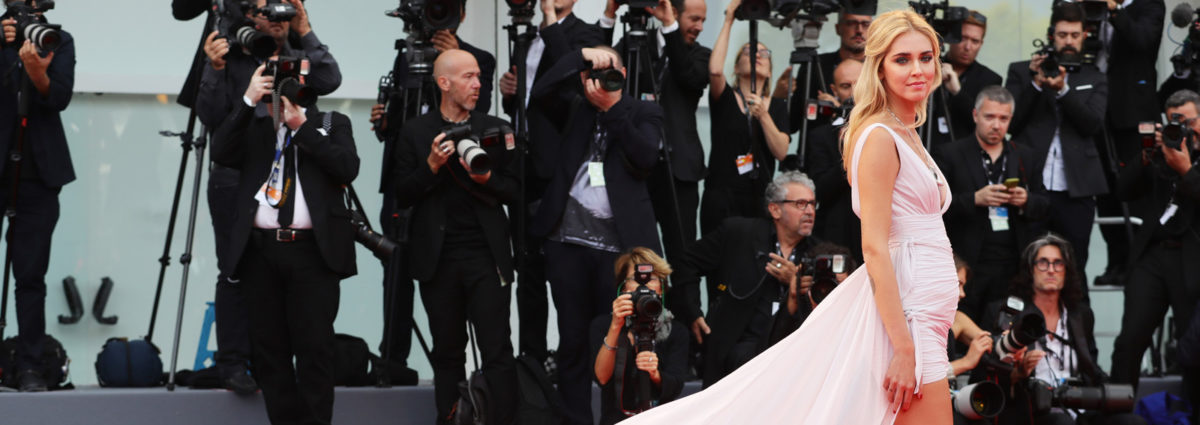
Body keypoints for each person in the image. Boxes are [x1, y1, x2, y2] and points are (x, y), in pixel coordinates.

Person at [623, 9, 958, 424]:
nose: (918, 69)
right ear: (880, 67)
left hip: (927, 312)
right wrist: (903, 347)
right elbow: (874, 245)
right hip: (908, 316)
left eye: (926, 57)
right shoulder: (878, 136)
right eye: (902, 59)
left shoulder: (908, 132)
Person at [195, 0, 341, 394]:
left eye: (282, 11)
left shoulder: (297, 55)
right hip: (236, 177)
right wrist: (215, 68)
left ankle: (270, 362)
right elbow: (210, 115)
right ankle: (232, 363)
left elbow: (329, 79)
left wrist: (305, 28)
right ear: (249, 14)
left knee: (282, 273)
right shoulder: (231, 51)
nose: (275, 20)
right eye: (266, 10)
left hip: (293, 176)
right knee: (236, 268)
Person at [209, 60, 358, 424]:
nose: (292, 87)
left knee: (315, 352)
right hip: (261, 253)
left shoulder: (329, 123)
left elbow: (346, 167)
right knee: (270, 354)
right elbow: (221, 153)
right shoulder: (256, 125)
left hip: (313, 254)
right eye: (284, 82)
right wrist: (248, 101)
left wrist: (300, 128)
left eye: (299, 80)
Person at [529, 45, 663, 425]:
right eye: (597, 71)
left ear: (624, 72)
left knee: (618, 338)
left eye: (611, 69)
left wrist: (612, 108)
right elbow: (539, 94)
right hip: (566, 243)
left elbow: (645, 156)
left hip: (619, 252)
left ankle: (617, 418)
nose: (605, 76)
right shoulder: (575, 106)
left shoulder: (643, 111)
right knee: (572, 340)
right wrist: (580, 57)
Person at [367, 0, 496, 384]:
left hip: (452, 188)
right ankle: (392, 356)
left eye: (444, 7)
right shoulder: (407, 56)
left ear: (461, 14)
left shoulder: (479, 61)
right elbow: (401, 122)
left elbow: (481, 111)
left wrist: (454, 56)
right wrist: (385, 121)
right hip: (406, 178)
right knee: (395, 266)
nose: (435, 16)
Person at [392, 50, 519, 425]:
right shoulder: (416, 132)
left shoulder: (497, 128)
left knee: (497, 350)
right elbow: (402, 194)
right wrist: (431, 166)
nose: (478, 84)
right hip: (438, 259)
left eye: (479, 76)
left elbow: (518, 190)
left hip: (487, 256)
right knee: (448, 353)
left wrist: (488, 180)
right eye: (468, 77)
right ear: (443, 83)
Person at [497, 0, 604, 366]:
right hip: (524, 163)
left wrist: (549, 21)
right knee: (526, 267)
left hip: (561, 165)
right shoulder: (524, 37)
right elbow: (527, 102)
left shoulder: (586, 33)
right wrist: (509, 93)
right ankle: (532, 357)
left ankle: (576, 356)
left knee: (564, 268)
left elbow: (575, 81)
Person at [974, 235, 1145, 425]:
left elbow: (1092, 368)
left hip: (1078, 407)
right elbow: (985, 375)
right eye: (1043, 263)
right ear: (1030, 270)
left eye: (1058, 263)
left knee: (1132, 422)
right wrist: (1018, 372)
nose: (1051, 270)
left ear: (1067, 271)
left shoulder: (1081, 315)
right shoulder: (1007, 312)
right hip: (1031, 409)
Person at [669, 171, 819, 387]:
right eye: (801, 204)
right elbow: (686, 263)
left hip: (791, 353)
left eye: (813, 204)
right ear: (775, 209)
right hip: (738, 350)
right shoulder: (738, 233)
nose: (810, 212)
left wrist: (794, 280)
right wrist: (693, 312)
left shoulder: (817, 251)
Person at [599, 0, 710, 272]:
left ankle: (685, 313)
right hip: (635, 165)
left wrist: (669, 26)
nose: (699, 27)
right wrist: (609, 14)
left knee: (680, 250)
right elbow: (600, 66)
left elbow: (687, 76)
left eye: (703, 21)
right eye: (694, 19)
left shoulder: (700, 55)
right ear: (676, 12)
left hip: (678, 170)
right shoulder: (634, 44)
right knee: (632, 250)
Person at [1005, 2, 1108, 286]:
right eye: (1063, 35)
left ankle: (1076, 330)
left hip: (1077, 190)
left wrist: (1063, 90)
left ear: (1084, 35)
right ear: (1052, 35)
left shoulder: (1094, 77)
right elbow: (1011, 125)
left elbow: (1092, 125)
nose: (1069, 41)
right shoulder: (1022, 71)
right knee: (1024, 268)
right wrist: (1036, 84)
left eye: (1074, 35)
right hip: (1031, 187)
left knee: (1074, 270)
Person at [1109, 89, 1200, 412]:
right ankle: (1117, 415)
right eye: (1174, 122)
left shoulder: (1185, 156)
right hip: (1153, 256)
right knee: (1130, 340)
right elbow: (1123, 189)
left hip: (1193, 261)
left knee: (1192, 348)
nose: (1182, 129)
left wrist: (1186, 169)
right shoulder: (1162, 150)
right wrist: (1148, 154)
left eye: (1188, 122)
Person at [0, 1, 74, 393]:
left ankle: (29, 364)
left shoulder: (57, 41)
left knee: (30, 275)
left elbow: (58, 98)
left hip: (38, 173)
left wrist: (36, 73)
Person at [934, 86, 1049, 322]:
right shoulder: (950, 154)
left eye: (1003, 118)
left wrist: (1026, 200)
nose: (996, 125)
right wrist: (975, 199)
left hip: (1013, 264)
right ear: (975, 115)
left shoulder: (1026, 155)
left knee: (1005, 328)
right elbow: (934, 206)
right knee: (963, 328)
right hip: (966, 262)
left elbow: (1046, 205)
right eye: (990, 117)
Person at [700, 0, 790, 235]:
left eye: (763, 53)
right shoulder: (726, 97)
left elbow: (781, 151)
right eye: (749, 51)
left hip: (759, 197)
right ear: (737, 67)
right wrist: (729, 19)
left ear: (770, 69)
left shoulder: (778, 106)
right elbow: (715, 71)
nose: (757, 55)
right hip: (722, 196)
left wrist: (763, 116)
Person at [1093, 0, 1165, 287]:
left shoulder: (1150, 5)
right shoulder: (1094, 7)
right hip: (1099, 112)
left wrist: (1114, 10)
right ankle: (1115, 261)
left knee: (1134, 188)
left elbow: (1142, 41)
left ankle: (1136, 261)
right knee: (1105, 192)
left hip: (1133, 116)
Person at [590, 247, 688, 425]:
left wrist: (655, 374)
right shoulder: (603, 325)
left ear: (662, 288)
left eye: (651, 278)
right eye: (636, 279)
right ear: (624, 287)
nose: (644, 285)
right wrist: (615, 326)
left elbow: (676, 385)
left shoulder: (676, 330)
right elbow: (601, 378)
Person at [805, 59, 864, 262]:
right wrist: (847, 157)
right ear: (834, 90)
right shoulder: (821, 136)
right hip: (837, 234)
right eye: (846, 86)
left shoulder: (889, 128)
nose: (855, 92)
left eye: (860, 83)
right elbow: (819, 189)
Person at [777, 9, 874, 131]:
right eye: (851, 23)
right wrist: (779, 98)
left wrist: (839, 109)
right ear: (838, 28)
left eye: (866, 24)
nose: (859, 30)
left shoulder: (880, 70)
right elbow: (792, 124)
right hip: (816, 146)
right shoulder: (815, 66)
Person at [929, 10, 1002, 148]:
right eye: (963, 38)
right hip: (927, 153)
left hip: (965, 159)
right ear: (951, 38)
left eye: (975, 41)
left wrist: (957, 92)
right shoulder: (928, 68)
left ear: (981, 44)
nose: (968, 47)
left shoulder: (991, 79)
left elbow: (984, 124)